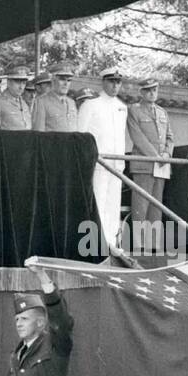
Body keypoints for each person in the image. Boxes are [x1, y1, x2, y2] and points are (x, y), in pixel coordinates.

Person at [77, 67, 129, 253]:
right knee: (97, 201)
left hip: (116, 163)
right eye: (111, 81)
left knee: (113, 204)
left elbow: (120, 137)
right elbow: (81, 134)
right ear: (103, 82)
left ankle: (111, 243)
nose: (115, 85)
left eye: (118, 82)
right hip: (98, 162)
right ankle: (95, 243)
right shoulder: (91, 105)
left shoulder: (122, 107)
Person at [125, 78, 173, 230]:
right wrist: (155, 156)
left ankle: (153, 248)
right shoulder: (134, 110)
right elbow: (137, 137)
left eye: (154, 90)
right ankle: (139, 248)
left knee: (156, 208)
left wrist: (166, 154)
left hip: (161, 165)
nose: (152, 93)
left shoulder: (162, 112)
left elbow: (170, 137)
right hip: (144, 165)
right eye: (148, 90)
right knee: (141, 207)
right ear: (141, 92)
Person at [31, 64, 79, 132]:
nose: (66, 84)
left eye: (69, 80)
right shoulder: (41, 102)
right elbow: (38, 134)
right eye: (62, 80)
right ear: (53, 80)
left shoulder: (72, 102)